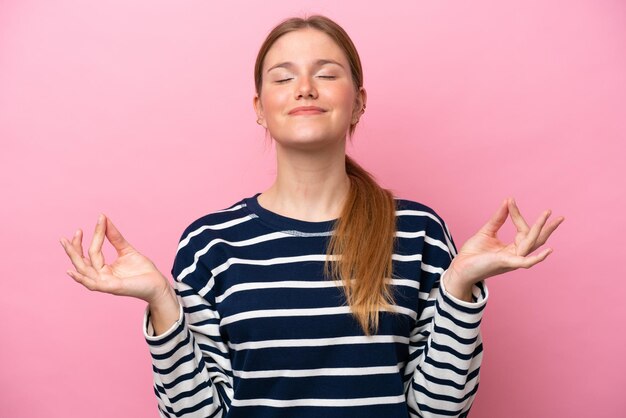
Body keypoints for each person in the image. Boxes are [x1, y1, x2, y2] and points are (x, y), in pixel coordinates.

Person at [59, 14, 564, 418]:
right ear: (260, 106)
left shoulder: (418, 233)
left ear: (358, 103)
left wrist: (459, 288)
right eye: (284, 77)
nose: (305, 88)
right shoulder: (210, 243)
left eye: (326, 74)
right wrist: (160, 303)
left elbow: (438, 410)